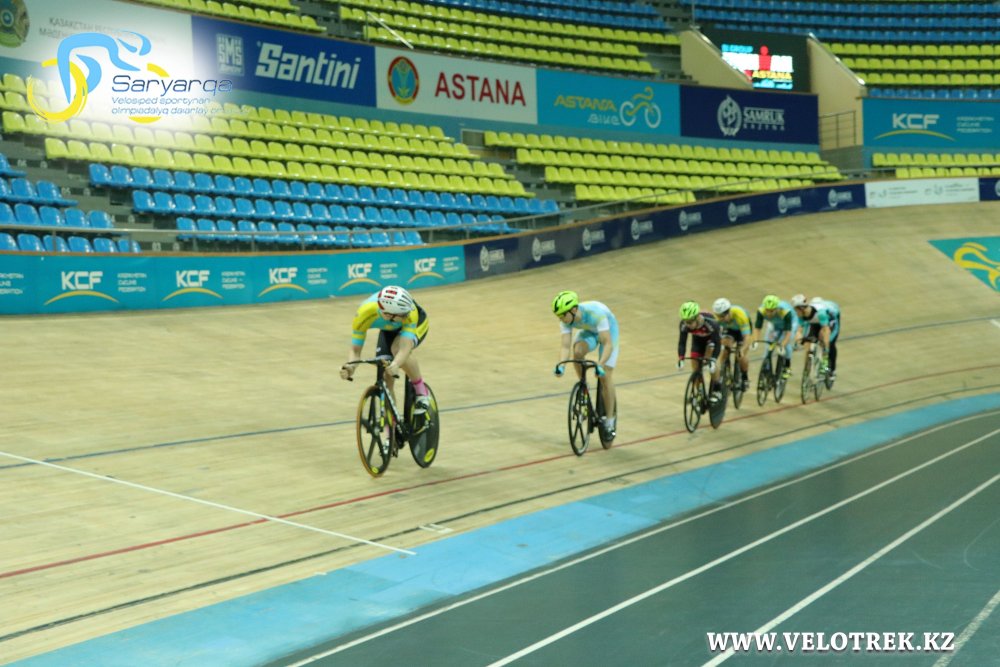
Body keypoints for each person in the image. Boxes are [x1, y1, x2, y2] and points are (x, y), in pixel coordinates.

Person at [340, 285, 431, 413]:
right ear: (388, 314)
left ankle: (421, 391)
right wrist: (351, 367)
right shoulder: (364, 314)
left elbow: (404, 349)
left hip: (418, 324)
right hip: (388, 330)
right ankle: (391, 420)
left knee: (396, 349)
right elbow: (355, 351)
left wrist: (396, 364)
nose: (407, 315)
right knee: (386, 376)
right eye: (403, 314)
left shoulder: (411, 313)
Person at [552, 290, 619, 437]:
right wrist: (561, 365)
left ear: (573, 310)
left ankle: (609, 421)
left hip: (608, 331)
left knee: (605, 376)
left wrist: (600, 364)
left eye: (562, 315)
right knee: (577, 352)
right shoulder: (566, 319)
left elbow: (607, 344)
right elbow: (565, 346)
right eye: (558, 316)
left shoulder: (596, 314)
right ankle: (584, 385)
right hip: (590, 331)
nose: (561, 319)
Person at [677, 300, 724, 404]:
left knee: (710, 364)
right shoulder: (684, 325)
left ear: (697, 317)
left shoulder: (711, 323)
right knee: (695, 368)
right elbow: (682, 343)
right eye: (685, 321)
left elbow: (717, 344)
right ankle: (699, 392)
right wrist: (681, 358)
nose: (687, 324)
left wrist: (713, 359)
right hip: (698, 341)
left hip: (711, 340)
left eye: (690, 322)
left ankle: (717, 388)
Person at [791, 294, 841, 381]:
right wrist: (798, 341)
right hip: (815, 321)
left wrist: (826, 349)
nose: (794, 312)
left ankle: (831, 370)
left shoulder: (821, 313)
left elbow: (826, 330)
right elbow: (799, 330)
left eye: (795, 310)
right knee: (808, 342)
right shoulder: (801, 315)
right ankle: (807, 371)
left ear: (801, 308)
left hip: (830, 320)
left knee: (828, 341)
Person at [751, 294, 799, 380]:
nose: (769, 313)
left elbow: (788, 333)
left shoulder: (785, 312)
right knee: (768, 346)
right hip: (775, 325)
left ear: (777, 309)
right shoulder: (761, 311)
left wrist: (782, 345)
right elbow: (757, 328)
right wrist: (755, 341)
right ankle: (767, 368)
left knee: (784, 345)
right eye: (767, 310)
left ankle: (787, 367)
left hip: (790, 324)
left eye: (771, 311)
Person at [712, 297, 752, 391]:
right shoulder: (717, 319)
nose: (720, 319)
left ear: (728, 312)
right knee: (725, 349)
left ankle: (745, 377)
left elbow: (747, 337)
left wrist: (742, 349)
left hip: (742, 331)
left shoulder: (740, 315)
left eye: (722, 316)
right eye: (718, 316)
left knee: (740, 355)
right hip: (730, 330)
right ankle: (725, 372)